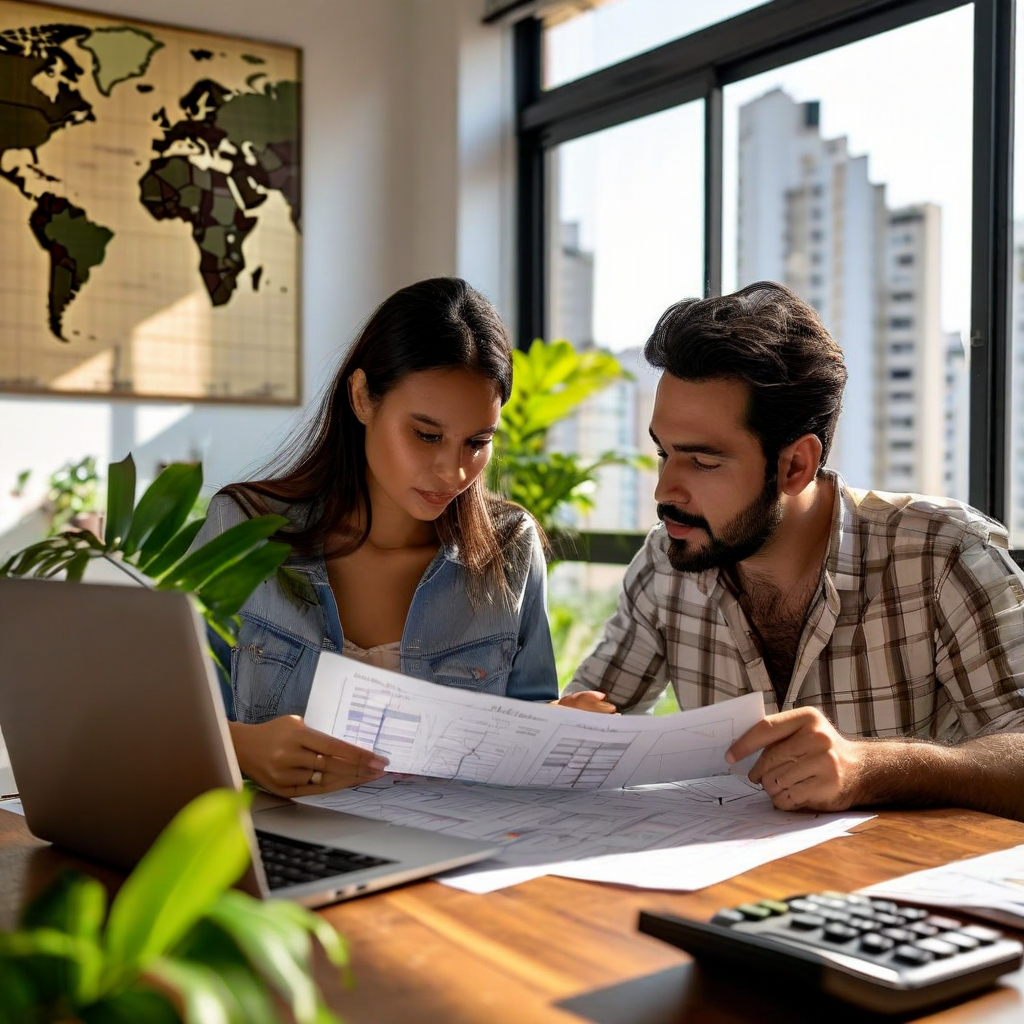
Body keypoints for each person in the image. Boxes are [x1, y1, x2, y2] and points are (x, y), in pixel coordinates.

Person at [560, 281, 1024, 820]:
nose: (665, 491)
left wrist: (869, 769)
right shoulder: (668, 563)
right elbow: (589, 722)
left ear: (796, 466)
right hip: (726, 889)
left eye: (703, 462)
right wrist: (560, 734)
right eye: (663, 453)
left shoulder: (941, 557)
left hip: (894, 893)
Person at [194, 277, 557, 798]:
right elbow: (162, 717)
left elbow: (526, 732)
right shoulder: (244, 529)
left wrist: (561, 728)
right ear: (362, 397)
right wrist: (240, 748)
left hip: (444, 854)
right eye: (426, 435)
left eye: (477, 442)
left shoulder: (508, 549)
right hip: (269, 848)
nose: (453, 471)